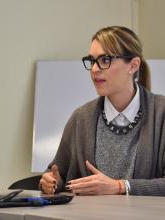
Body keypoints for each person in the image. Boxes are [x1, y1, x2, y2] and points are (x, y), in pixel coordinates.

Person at [39, 26, 165, 196]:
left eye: (105, 60)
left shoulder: (161, 113)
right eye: (92, 61)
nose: (94, 69)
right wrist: (51, 182)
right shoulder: (81, 118)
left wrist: (121, 186)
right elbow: (58, 173)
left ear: (133, 65)